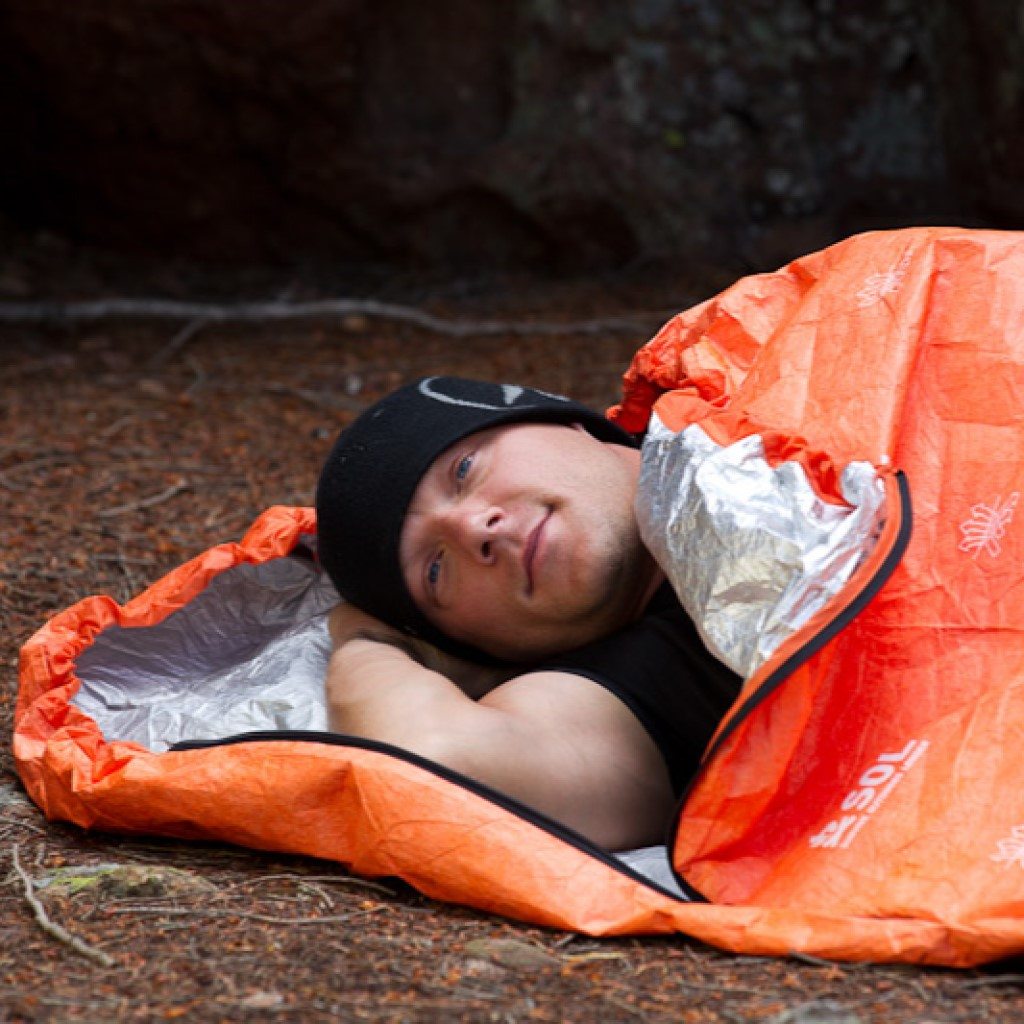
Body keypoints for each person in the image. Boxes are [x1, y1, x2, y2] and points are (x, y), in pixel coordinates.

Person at [315, 376, 741, 850]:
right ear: (480, 648)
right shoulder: (634, 699)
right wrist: (366, 643)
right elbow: (430, 768)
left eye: (464, 470)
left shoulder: (757, 378)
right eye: (435, 571)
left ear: (568, 423)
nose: (473, 527)